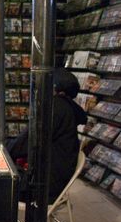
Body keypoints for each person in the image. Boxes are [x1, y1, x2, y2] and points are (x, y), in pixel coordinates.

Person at [6, 68, 87, 203]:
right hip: (54, 181)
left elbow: (29, 141)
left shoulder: (54, 108)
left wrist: (3, 147)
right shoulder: (67, 108)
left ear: (52, 87)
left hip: (42, 188)